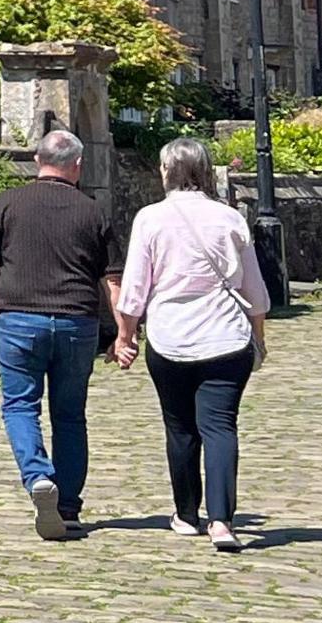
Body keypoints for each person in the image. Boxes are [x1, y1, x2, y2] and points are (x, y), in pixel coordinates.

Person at [115, 137, 271, 552]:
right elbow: (254, 286)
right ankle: (221, 520)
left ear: (167, 171)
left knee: (180, 426)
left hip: (169, 336)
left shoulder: (150, 219)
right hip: (225, 335)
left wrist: (125, 334)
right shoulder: (230, 218)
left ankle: (186, 514)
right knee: (220, 427)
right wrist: (258, 335)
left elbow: (134, 286)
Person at [0, 129, 125, 542]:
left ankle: (38, 476)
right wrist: (124, 334)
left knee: (20, 406)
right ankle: (68, 506)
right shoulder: (92, 211)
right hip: (77, 322)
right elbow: (112, 281)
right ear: (77, 165)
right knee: (70, 415)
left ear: (36, 160)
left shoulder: (8, 203)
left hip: (20, 318)